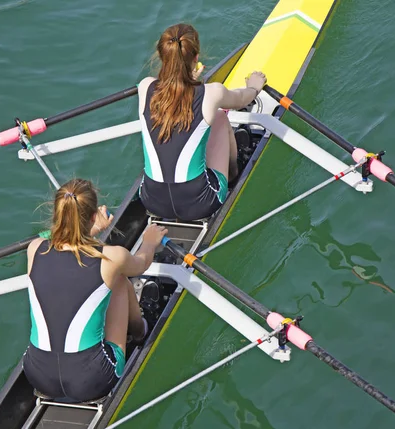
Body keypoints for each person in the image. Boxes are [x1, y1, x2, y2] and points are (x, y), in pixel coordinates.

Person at [22, 178, 168, 402]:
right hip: (91, 380)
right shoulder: (112, 256)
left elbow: (70, 260)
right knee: (118, 280)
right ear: (92, 217)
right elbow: (142, 263)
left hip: (36, 375)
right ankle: (141, 330)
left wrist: (91, 230)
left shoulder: (34, 249)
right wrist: (149, 241)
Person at [138, 22, 267, 221]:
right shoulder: (211, 93)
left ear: (162, 57)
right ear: (196, 58)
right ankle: (233, 174)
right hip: (201, 203)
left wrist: (189, 79)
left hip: (150, 200)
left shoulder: (145, 87)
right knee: (220, 117)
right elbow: (242, 99)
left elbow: (172, 98)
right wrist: (254, 87)